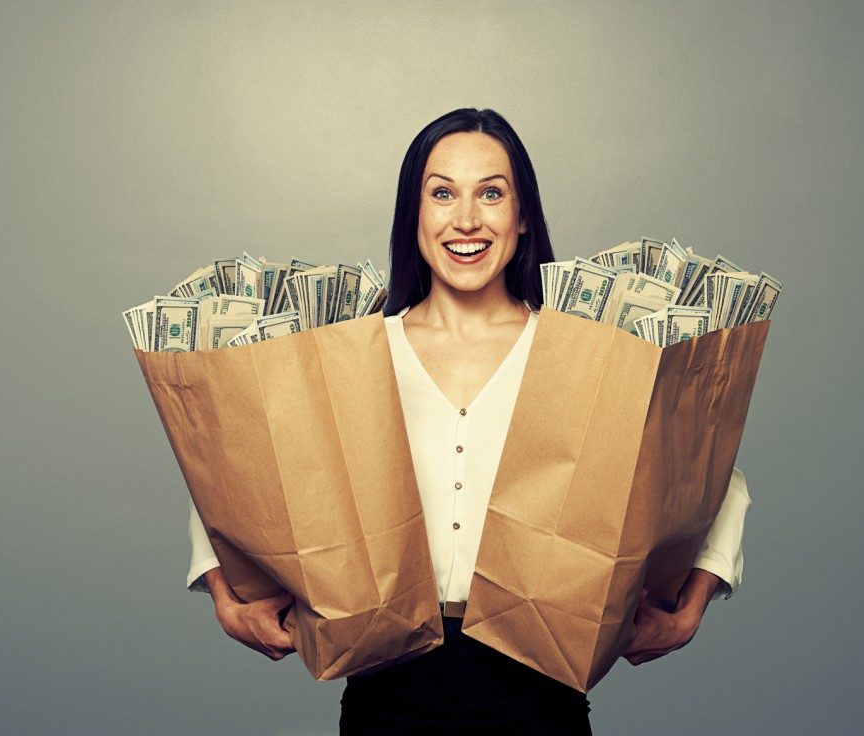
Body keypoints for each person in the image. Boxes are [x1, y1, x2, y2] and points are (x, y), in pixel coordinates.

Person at [187, 108, 751, 734]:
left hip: (542, 688)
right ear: (414, 215)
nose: (466, 219)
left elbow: (701, 466)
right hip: (384, 690)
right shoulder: (355, 352)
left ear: (522, 215)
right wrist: (224, 598)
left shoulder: (581, 352)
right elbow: (240, 467)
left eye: (491, 193)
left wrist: (692, 605)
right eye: (442, 194)